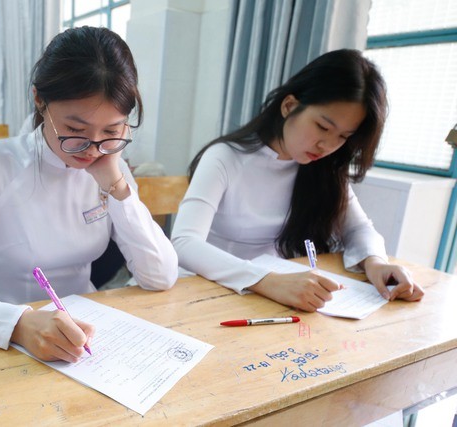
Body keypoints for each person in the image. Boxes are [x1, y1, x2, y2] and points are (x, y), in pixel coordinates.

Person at [0, 26, 178, 363]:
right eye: (75, 130)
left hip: (87, 339)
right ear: (40, 99)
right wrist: (18, 324)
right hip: (2, 336)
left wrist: (118, 188)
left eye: (111, 131)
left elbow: (161, 276)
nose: (91, 150)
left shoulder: (111, 166)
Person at [171, 49, 424, 313]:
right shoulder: (225, 158)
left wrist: (376, 263)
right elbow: (184, 243)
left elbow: (358, 228)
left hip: (269, 298)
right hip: (202, 292)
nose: (328, 145)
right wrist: (266, 281)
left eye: (343, 136)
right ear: (289, 106)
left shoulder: (322, 169)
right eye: (323, 127)